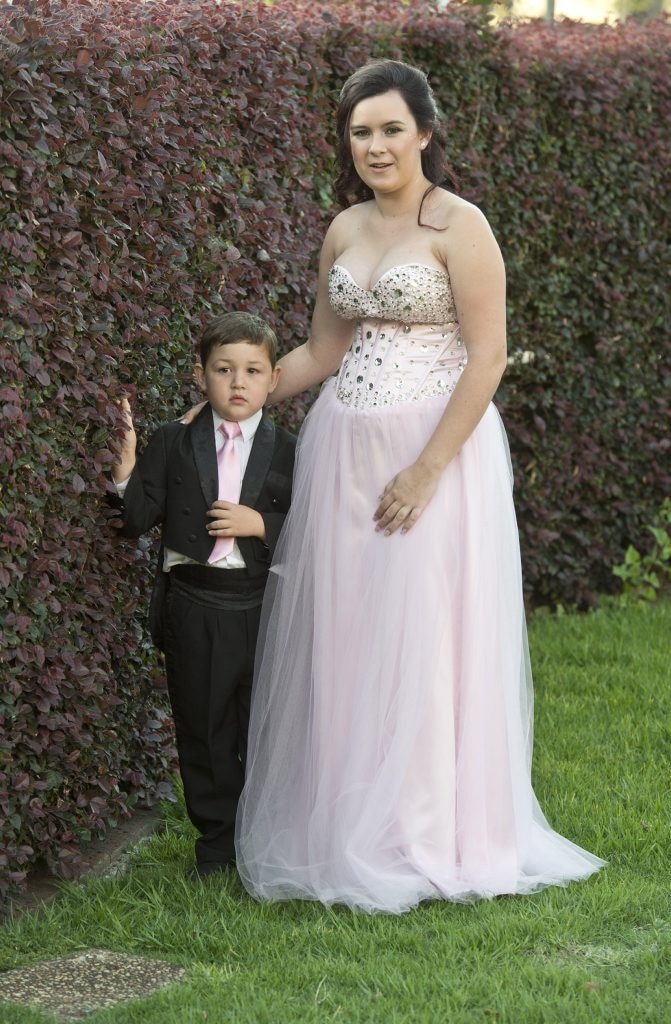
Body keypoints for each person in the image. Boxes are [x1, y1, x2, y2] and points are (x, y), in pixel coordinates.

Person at [234, 59, 605, 913]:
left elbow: (488, 356)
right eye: (360, 131)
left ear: (425, 134)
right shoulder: (343, 228)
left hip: (435, 454)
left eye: (391, 128)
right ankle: (346, 822)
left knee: (427, 631)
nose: (375, 145)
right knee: (349, 630)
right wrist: (242, 394)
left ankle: (428, 830)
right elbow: (322, 351)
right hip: (342, 448)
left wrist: (428, 467)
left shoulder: (459, 225)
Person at [110, 312, 296, 879]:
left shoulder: (291, 448)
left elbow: (319, 529)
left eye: (252, 371)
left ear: (273, 380)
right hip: (194, 603)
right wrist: (125, 472)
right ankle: (217, 846)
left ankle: (267, 837)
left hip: (264, 603)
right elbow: (138, 520)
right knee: (204, 729)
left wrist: (258, 523)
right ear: (200, 375)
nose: (238, 383)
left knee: (263, 724)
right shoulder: (174, 439)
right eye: (223, 370)